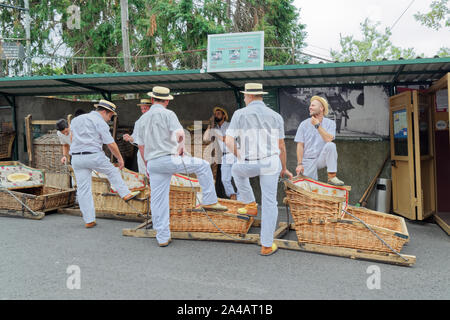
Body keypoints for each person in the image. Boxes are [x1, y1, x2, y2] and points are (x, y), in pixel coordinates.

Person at [136, 86, 228, 247]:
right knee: (204, 165)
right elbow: (180, 134)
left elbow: (141, 146)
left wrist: (147, 166)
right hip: (169, 158)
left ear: (152, 100)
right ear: (166, 101)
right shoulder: (168, 114)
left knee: (158, 200)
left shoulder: (141, 120)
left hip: (153, 163)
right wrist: (181, 150)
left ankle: (162, 236)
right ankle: (209, 200)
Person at [225, 83, 293, 256]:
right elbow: (281, 145)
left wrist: (240, 156)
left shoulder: (239, 114)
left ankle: (250, 204)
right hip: (270, 162)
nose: (244, 98)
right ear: (260, 96)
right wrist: (284, 168)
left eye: (245, 96)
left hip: (248, 161)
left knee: (236, 171)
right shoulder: (275, 116)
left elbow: (228, 141)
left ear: (249, 96)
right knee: (270, 202)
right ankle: (266, 245)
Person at [69, 99, 140, 228]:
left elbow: (72, 139)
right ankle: (125, 194)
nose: (109, 119)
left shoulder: (75, 120)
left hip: (76, 158)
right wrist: (120, 159)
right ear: (104, 112)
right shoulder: (99, 122)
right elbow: (110, 143)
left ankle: (89, 220)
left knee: (83, 189)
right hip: (93, 155)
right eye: (110, 116)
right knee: (112, 171)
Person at [294, 96, 344, 186]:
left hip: (321, 158)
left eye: (313, 105)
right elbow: (300, 145)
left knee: (331, 145)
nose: (310, 107)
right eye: (310, 105)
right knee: (307, 188)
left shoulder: (330, 123)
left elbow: (329, 139)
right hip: (307, 160)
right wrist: (299, 164)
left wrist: (317, 125)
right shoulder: (303, 124)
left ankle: (332, 176)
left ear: (321, 108)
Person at [203, 106, 238, 200]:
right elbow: (205, 139)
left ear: (224, 116)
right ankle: (233, 196)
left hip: (234, 154)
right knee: (225, 179)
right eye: (215, 114)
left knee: (237, 178)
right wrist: (210, 126)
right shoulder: (215, 128)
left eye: (218, 113)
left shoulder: (229, 125)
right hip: (225, 156)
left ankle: (240, 199)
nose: (216, 115)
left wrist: (215, 133)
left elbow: (225, 139)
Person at [123, 99, 151, 175]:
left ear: (151, 108)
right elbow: (135, 138)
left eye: (145, 109)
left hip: (155, 151)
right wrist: (130, 138)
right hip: (143, 151)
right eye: (142, 109)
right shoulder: (139, 122)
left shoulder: (157, 120)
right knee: (144, 174)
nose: (143, 111)